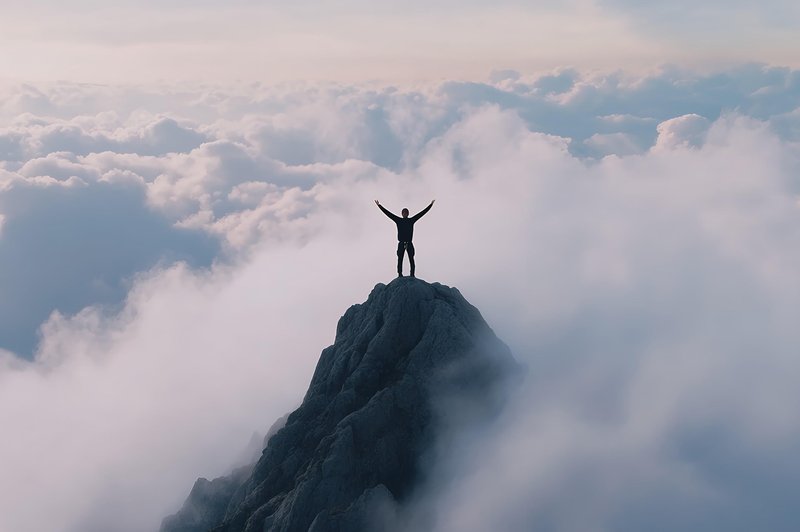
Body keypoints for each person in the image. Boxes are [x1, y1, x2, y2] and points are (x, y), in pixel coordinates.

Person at [375, 199, 435, 277]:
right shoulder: (398, 220)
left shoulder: (411, 220)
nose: (405, 214)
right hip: (401, 243)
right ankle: (400, 274)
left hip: (409, 243)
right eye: (404, 212)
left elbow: (421, 213)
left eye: (406, 212)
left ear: (408, 214)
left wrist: (430, 205)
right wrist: (379, 206)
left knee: (411, 259)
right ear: (402, 214)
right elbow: (388, 214)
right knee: (400, 259)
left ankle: (412, 274)